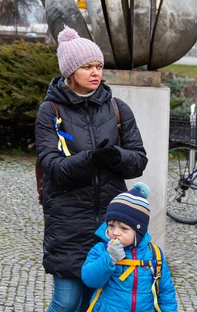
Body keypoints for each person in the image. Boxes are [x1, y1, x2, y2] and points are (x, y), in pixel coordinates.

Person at [35, 26, 148, 312]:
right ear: (71, 71)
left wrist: (114, 157)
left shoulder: (117, 108)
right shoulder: (51, 111)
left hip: (110, 225)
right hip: (67, 220)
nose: (96, 72)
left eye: (98, 66)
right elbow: (52, 167)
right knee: (67, 301)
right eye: (87, 67)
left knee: (95, 303)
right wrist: (92, 159)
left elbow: (138, 160)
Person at [81, 182, 178, 311]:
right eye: (111, 225)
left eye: (123, 228)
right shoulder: (101, 249)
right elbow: (90, 279)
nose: (115, 232)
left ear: (138, 232)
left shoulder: (154, 254)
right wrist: (109, 259)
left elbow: (166, 292)